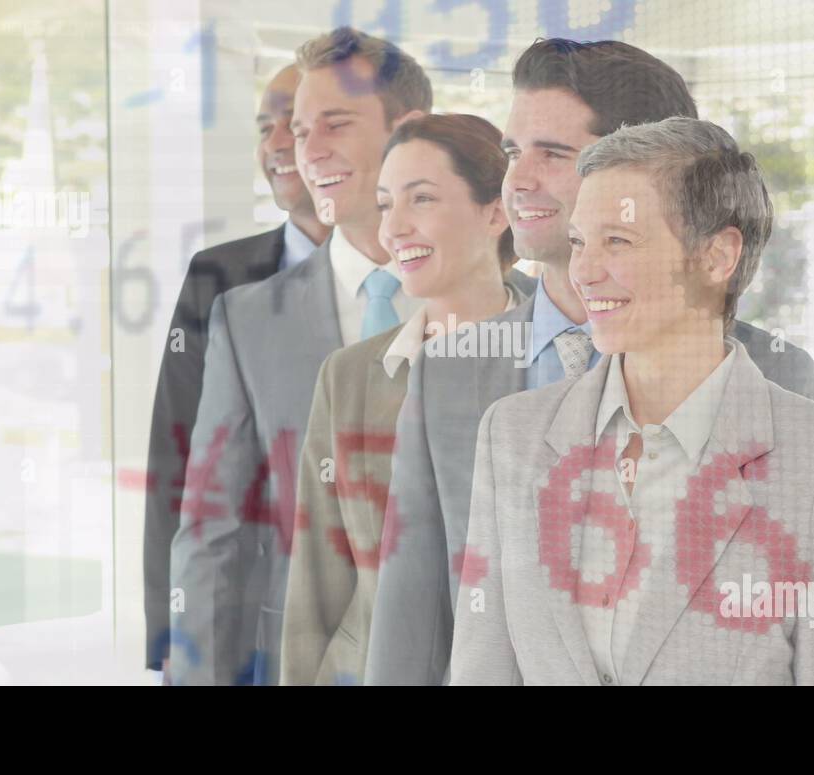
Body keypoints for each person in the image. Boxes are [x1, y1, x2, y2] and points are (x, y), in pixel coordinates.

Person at [365, 38, 814, 686]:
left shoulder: (776, 376)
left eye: (552, 154)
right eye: (513, 152)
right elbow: (410, 620)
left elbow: (804, 624)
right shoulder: (448, 374)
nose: (517, 180)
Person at [450, 117, 814, 685]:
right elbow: (482, 670)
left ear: (716, 256)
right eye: (579, 241)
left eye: (618, 241)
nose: (583, 270)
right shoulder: (512, 435)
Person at [166, 27, 431, 685]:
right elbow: (211, 533)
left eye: (334, 124)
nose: (307, 151)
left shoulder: (495, 308)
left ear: (411, 129)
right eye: (299, 130)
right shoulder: (248, 318)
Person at [280, 114, 529, 685]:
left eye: (421, 200)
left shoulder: (556, 361)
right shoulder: (350, 377)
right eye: (387, 204)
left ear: (495, 212)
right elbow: (317, 583)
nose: (394, 229)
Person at [143, 63, 330, 676]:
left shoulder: (429, 275)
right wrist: (169, 633)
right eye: (266, 127)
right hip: (249, 623)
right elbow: (174, 458)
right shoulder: (215, 276)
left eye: (297, 125)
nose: (277, 143)